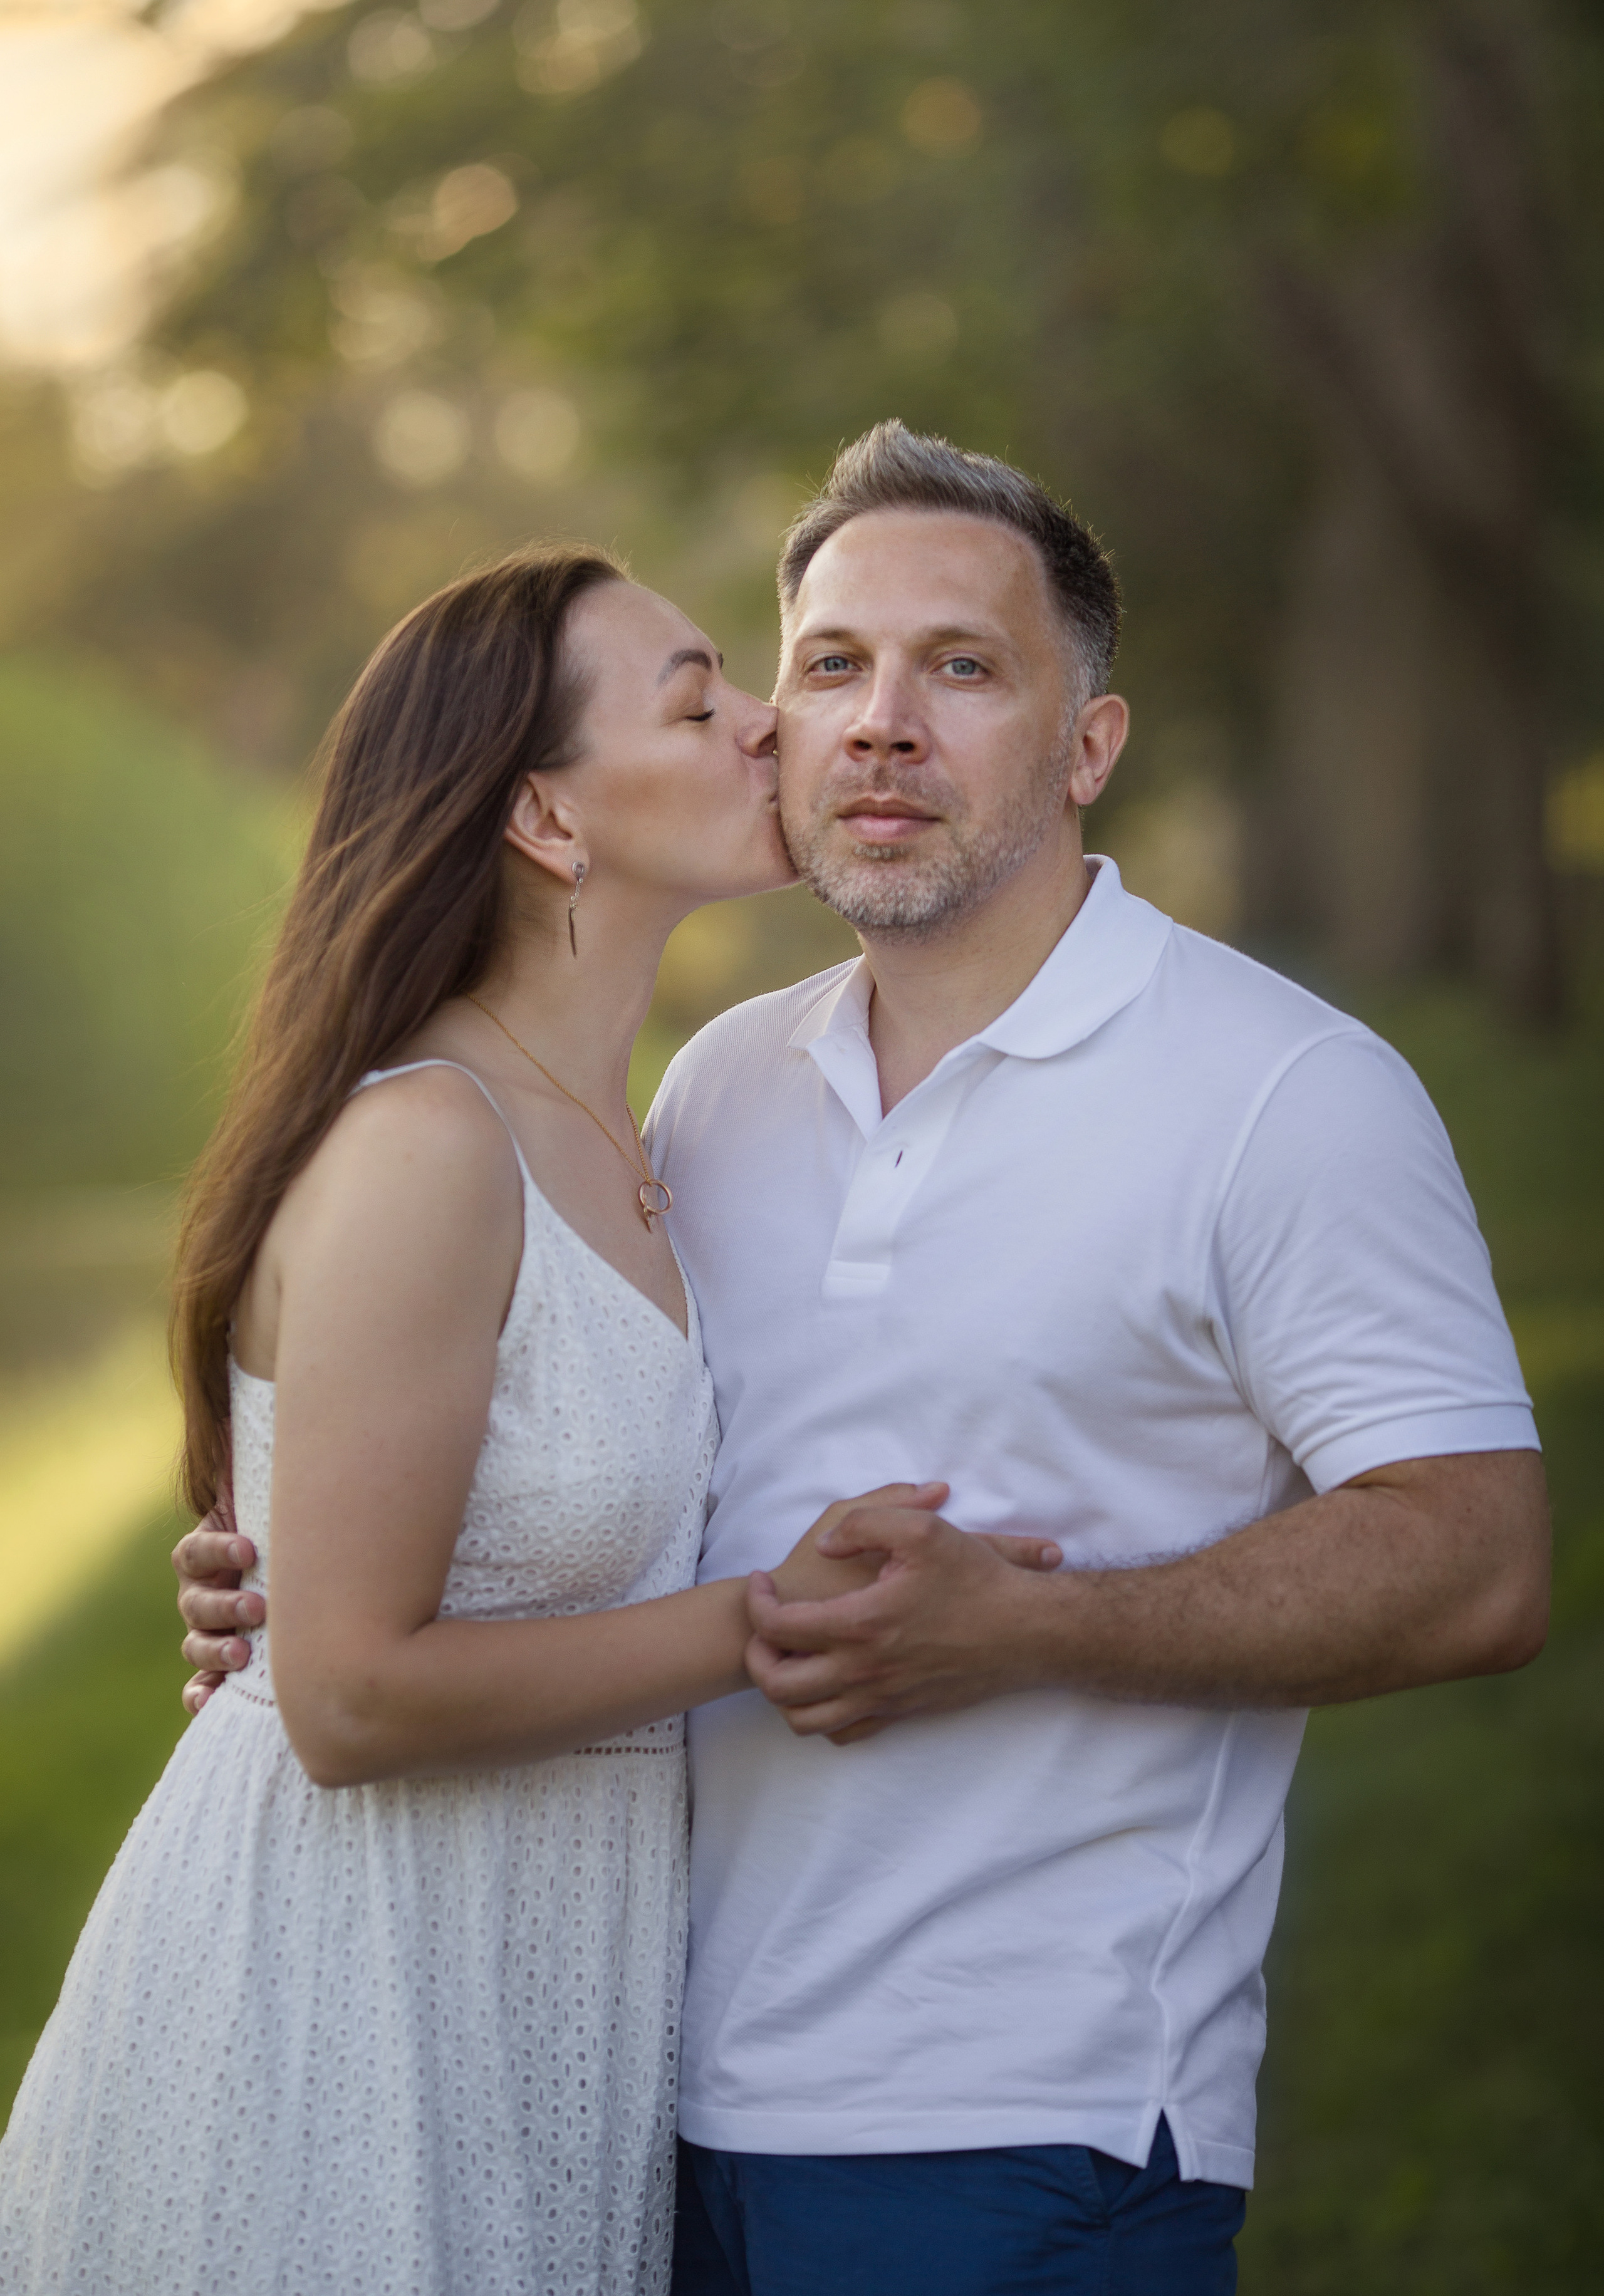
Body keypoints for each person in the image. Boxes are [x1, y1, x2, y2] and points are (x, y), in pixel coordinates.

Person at [173, 425, 1548, 2295]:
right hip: (630, 2103)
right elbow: (566, 1463)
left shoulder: (1285, 1094)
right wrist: (296, 1581)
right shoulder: (720, 1086)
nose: (878, 721)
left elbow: (1480, 1556)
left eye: (962, 669)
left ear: (1089, 745)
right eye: (829, 666)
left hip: (1021, 2125)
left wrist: (1042, 1626)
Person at [0, 540, 1061, 2296]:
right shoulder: (431, 1144)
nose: (762, 728)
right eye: (698, 698)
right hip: (340, 2013)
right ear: (550, 823)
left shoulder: (652, 1135)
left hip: (537, 1997)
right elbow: (339, 1696)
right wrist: (773, 1620)